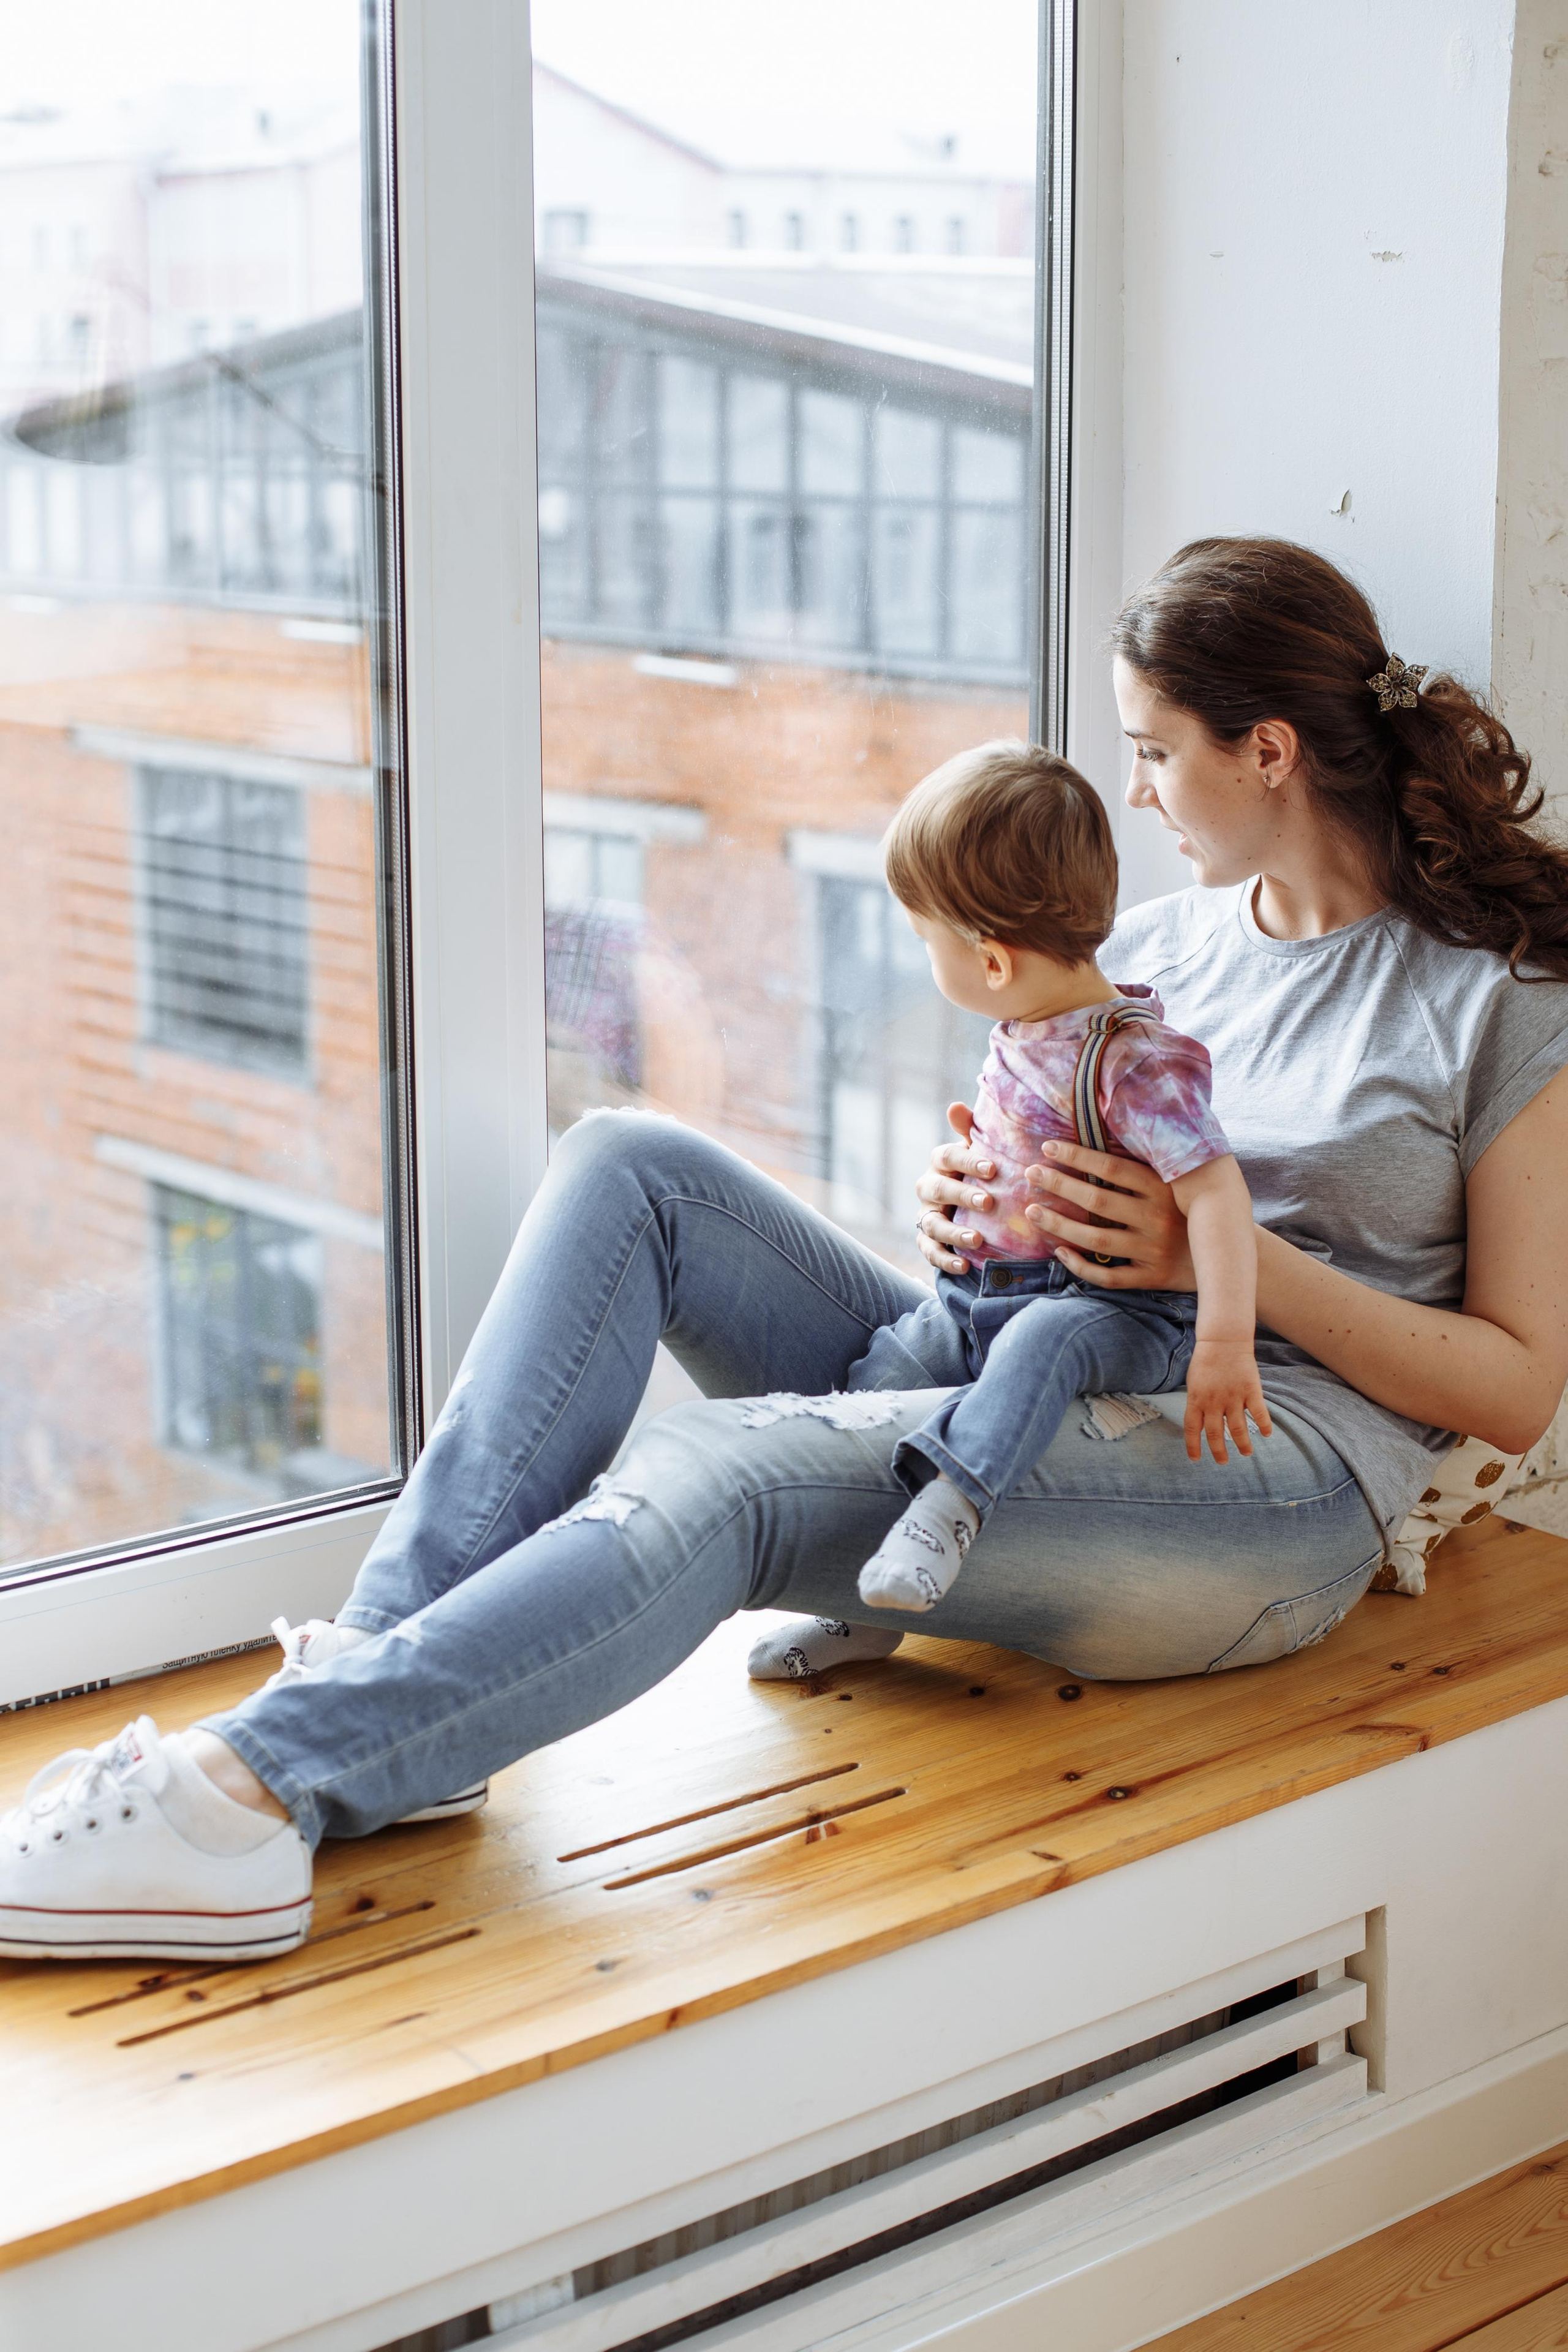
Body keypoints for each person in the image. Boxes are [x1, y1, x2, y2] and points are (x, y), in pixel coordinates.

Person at [6, 537, 1568, 1966]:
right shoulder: (1152, 947)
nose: (1139, 791)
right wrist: (971, 1208)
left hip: (1266, 1480)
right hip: (1027, 1356)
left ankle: (243, 1795)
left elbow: (1511, 1389)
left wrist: (1203, 1267)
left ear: (1268, 752)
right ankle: (373, 1681)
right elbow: (1043, 1155)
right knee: (633, 1166)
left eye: (1156, 752)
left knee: (728, 1470)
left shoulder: (1490, 1001)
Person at [851, 740, 1268, 1615]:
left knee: (1044, 1344)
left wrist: (1227, 1345)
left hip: (1114, 1314)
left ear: (992, 960)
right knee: (891, 1363)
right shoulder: (1028, 1022)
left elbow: (1219, 1196)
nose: (926, 958)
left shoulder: (1133, 1058)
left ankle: (952, 1511)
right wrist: (973, 1182)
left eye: (928, 940)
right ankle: (855, 1591)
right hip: (982, 1296)